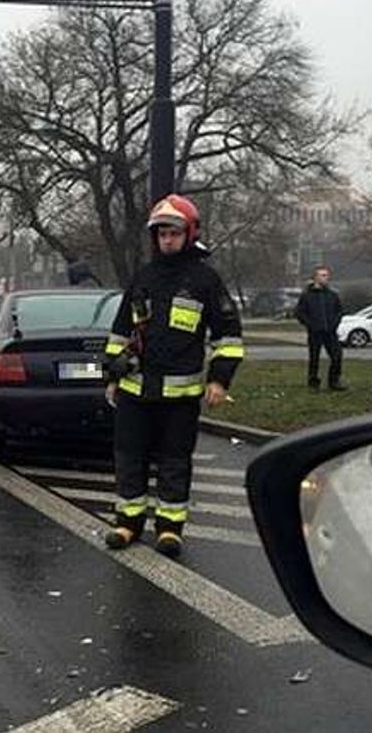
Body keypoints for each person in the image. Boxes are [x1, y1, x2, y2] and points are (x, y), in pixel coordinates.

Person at [102, 194, 244, 557]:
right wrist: (112, 374)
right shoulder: (144, 277)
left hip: (180, 398)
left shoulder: (205, 280)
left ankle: (169, 529)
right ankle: (127, 522)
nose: (167, 240)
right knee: (129, 458)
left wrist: (219, 379)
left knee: (174, 462)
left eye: (174, 233)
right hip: (135, 392)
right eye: (162, 234)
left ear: (189, 233)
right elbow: (121, 330)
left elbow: (228, 337)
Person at [294, 265, 346, 392]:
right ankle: (313, 383)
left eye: (327, 275)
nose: (326, 278)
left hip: (330, 332)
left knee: (337, 356)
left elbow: (339, 311)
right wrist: (310, 324)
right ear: (316, 277)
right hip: (315, 332)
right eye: (322, 275)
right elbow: (299, 313)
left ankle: (334, 381)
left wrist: (334, 323)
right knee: (314, 358)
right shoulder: (307, 295)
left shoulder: (332, 295)